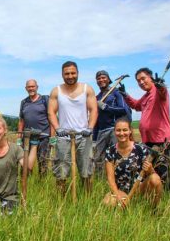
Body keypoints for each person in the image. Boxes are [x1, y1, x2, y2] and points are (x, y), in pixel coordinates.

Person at [48, 61, 98, 194]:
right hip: (64, 136)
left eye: (73, 73)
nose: (70, 76)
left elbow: (93, 109)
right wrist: (58, 128)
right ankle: (61, 200)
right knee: (61, 170)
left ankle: (87, 198)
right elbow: (51, 112)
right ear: (62, 74)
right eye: (67, 73)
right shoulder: (56, 91)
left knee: (86, 169)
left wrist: (90, 127)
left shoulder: (87, 89)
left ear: (77, 73)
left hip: (83, 135)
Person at [120, 67, 170, 189]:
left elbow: (163, 93)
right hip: (148, 140)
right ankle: (154, 194)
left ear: (151, 78)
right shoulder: (145, 96)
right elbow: (136, 105)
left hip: (162, 139)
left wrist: (161, 86)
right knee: (150, 169)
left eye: (143, 78)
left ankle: (165, 198)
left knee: (162, 170)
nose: (141, 82)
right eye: (138, 81)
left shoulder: (158, 92)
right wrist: (125, 94)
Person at [0, 116, 38, 212]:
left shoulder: (16, 149)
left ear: (5, 130)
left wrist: (34, 145)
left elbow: (28, 166)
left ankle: (4, 208)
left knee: (4, 214)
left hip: (10, 196)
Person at [103, 117, 162, 209]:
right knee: (108, 203)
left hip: (139, 189)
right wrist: (117, 195)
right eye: (118, 130)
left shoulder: (141, 149)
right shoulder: (110, 151)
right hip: (120, 190)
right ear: (114, 132)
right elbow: (110, 178)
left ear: (130, 131)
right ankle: (124, 204)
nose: (122, 133)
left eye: (125, 130)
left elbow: (152, 174)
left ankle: (154, 210)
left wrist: (150, 169)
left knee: (155, 179)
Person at [93, 70, 131, 175]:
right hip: (101, 131)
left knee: (117, 156)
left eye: (103, 77)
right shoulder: (97, 98)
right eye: (99, 78)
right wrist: (94, 139)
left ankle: (119, 181)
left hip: (114, 130)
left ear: (109, 79)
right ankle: (100, 182)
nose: (101, 80)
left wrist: (106, 107)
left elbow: (124, 109)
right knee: (98, 159)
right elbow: (96, 118)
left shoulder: (116, 93)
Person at [18, 79, 53, 176]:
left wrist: (52, 137)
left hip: (43, 137)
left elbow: (51, 118)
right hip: (27, 138)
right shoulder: (24, 102)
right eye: (29, 87)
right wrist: (18, 138)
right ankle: (26, 183)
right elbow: (21, 121)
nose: (31, 88)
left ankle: (41, 185)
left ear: (37, 87)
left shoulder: (45, 99)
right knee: (25, 163)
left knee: (43, 162)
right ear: (26, 88)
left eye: (33, 86)